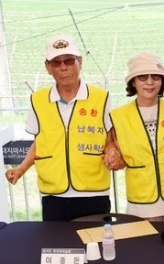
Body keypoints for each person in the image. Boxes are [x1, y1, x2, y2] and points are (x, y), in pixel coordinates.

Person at [4, 35, 120, 221]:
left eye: (69, 60)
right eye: (56, 62)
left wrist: (113, 152)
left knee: (96, 239)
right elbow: (39, 142)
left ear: (80, 62)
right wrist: (21, 169)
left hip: (93, 193)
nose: (64, 67)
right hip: (53, 195)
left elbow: (110, 139)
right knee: (56, 241)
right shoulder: (38, 100)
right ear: (48, 67)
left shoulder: (101, 97)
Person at [109, 51, 164, 221]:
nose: (149, 82)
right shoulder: (118, 116)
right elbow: (113, 150)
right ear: (133, 82)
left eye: (155, 76)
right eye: (142, 77)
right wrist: (113, 155)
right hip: (141, 199)